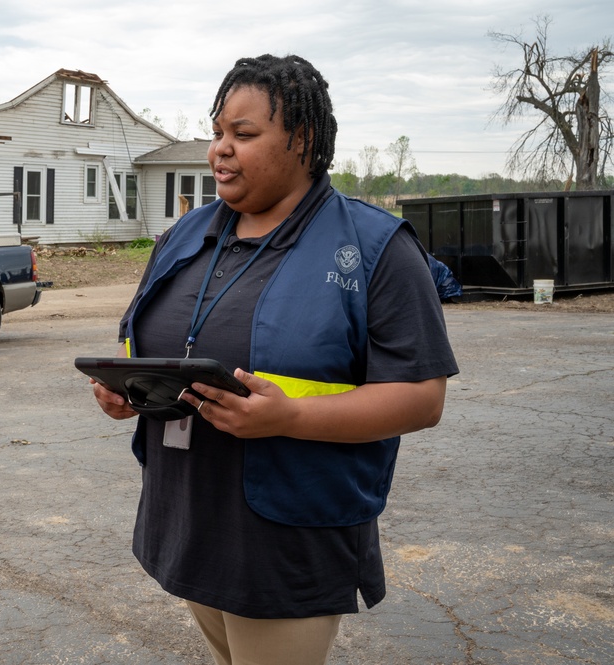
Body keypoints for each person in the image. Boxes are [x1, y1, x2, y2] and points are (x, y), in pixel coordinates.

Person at [90, 54, 458, 665]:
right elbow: (146, 344)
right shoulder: (185, 236)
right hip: (189, 516)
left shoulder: (375, 249)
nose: (220, 151)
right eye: (217, 133)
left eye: (244, 134)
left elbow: (423, 397)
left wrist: (291, 419)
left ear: (303, 140)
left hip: (287, 537)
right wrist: (130, 391)